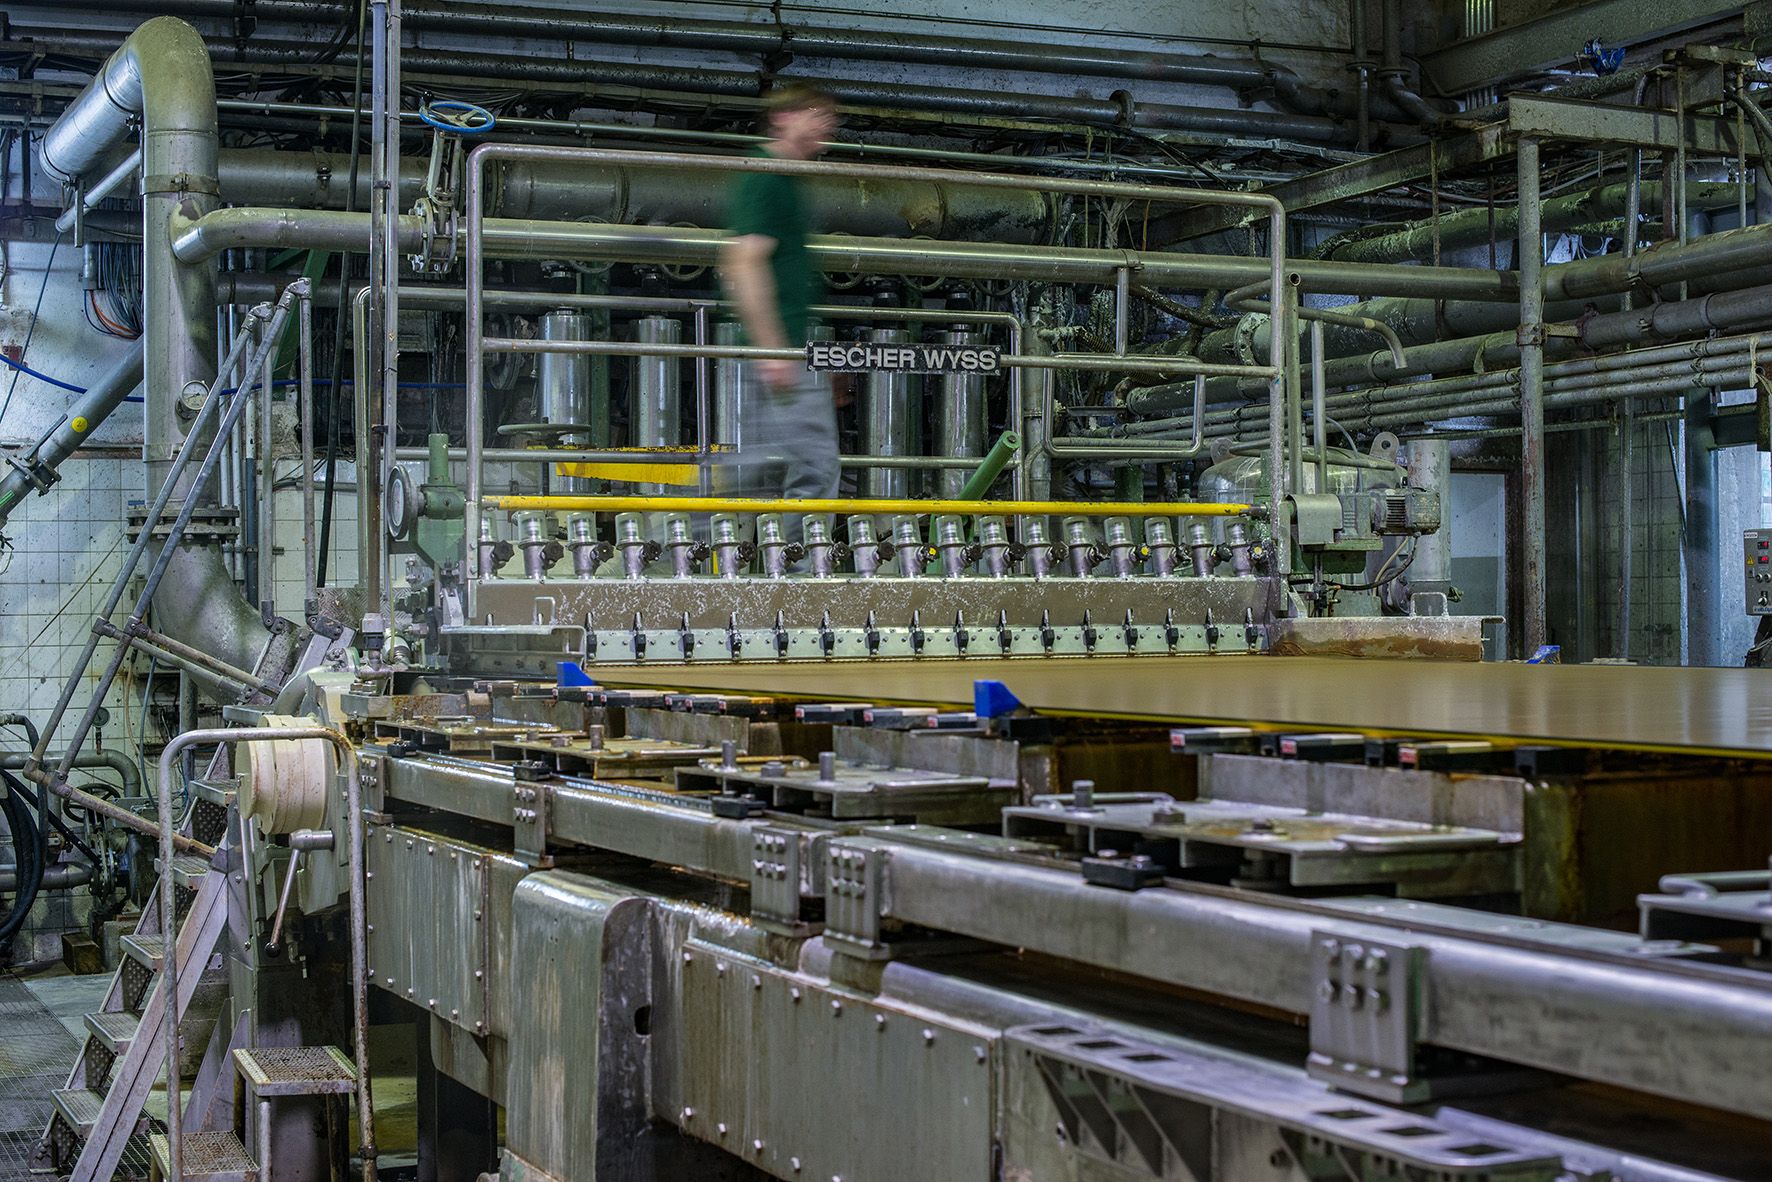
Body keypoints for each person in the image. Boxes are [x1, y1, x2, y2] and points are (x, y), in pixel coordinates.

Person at [719, 83, 842, 510]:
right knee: (814, 465)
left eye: (830, 116)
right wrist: (773, 350)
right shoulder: (767, 177)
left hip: (783, 346)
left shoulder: (785, 180)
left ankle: (683, 535)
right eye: (815, 112)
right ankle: (803, 556)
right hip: (779, 347)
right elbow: (744, 262)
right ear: (782, 117)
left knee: (751, 467)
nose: (827, 123)